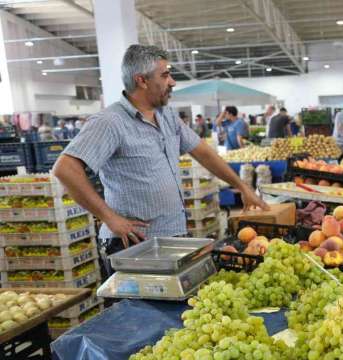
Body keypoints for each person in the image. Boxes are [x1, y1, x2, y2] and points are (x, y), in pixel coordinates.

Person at [53, 44, 267, 274]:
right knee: (138, 310)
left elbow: (202, 151)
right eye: (165, 75)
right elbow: (65, 168)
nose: (172, 82)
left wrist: (242, 186)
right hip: (134, 245)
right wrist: (109, 218)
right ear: (142, 81)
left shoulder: (167, 116)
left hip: (173, 238)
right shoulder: (110, 122)